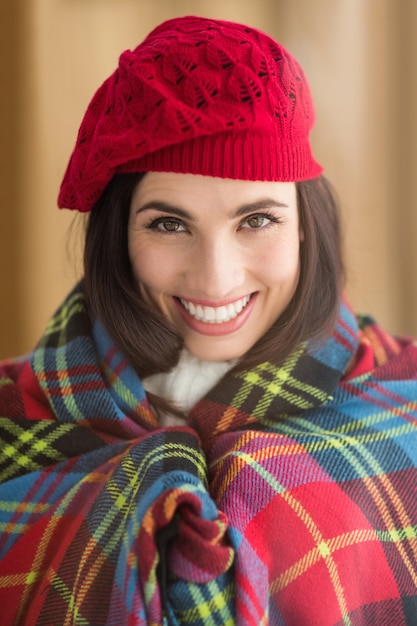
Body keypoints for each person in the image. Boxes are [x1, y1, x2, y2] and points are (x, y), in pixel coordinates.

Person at [0, 15, 416, 626]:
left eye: (257, 219)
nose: (216, 279)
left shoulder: (404, 406)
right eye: (169, 224)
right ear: (117, 235)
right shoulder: (16, 419)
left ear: (306, 224)